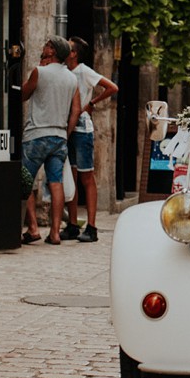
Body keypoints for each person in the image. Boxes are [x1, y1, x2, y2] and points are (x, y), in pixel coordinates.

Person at [58, 35, 119, 243]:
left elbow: (112, 87)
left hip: (82, 128)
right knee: (71, 176)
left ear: (74, 53)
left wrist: (91, 103)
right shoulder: (64, 71)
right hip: (67, 126)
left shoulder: (84, 71)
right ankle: (73, 224)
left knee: (86, 176)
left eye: (68, 46)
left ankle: (92, 227)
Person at [20, 38, 81, 245]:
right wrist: (66, 132)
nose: (43, 47)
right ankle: (55, 233)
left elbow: (24, 94)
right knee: (56, 183)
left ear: (52, 50)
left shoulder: (40, 71)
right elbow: (75, 111)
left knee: (25, 180)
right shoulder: (72, 79)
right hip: (59, 137)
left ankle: (33, 227)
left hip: (36, 134)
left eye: (46, 45)